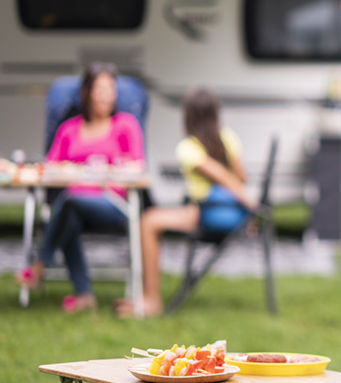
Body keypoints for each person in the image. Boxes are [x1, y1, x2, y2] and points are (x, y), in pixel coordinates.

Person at [16, 62, 145, 313]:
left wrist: (111, 171)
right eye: (101, 88)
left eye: (111, 88)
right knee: (69, 212)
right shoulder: (70, 129)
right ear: (86, 92)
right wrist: (70, 172)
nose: (107, 94)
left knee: (66, 204)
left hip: (113, 202)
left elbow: (138, 166)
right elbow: (51, 167)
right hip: (74, 202)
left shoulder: (125, 125)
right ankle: (84, 295)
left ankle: (40, 265)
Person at [115, 87, 254, 318]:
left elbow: (222, 175)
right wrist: (246, 205)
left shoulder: (188, 148)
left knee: (148, 221)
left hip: (208, 212)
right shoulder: (228, 137)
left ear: (189, 116)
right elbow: (242, 177)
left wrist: (250, 204)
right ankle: (143, 294)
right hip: (227, 210)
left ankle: (151, 299)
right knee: (150, 219)